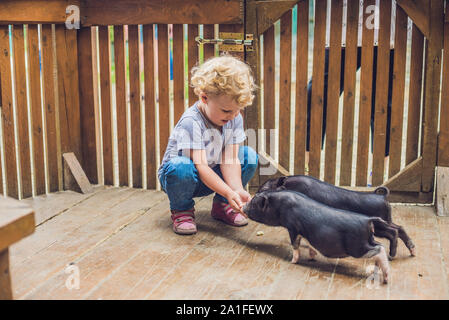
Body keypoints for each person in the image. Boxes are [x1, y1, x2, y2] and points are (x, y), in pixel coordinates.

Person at [158, 55, 259, 235]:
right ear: (204, 98)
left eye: (238, 110)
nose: (233, 116)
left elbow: (230, 159)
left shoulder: (234, 117)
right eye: (227, 110)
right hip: (185, 179)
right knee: (180, 167)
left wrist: (235, 189)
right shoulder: (192, 121)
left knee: (248, 156)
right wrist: (228, 190)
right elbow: (201, 167)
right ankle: (182, 211)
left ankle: (223, 206)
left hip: (213, 175)